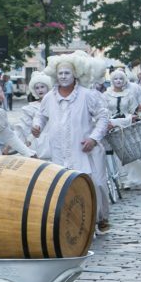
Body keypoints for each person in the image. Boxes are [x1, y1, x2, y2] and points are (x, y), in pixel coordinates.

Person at [31, 51, 112, 234]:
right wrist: (37, 126)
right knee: (64, 187)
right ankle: (72, 221)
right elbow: (41, 115)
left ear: (75, 74)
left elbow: (103, 116)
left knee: (96, 184)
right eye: (60, 73)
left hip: (85, 150)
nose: (63, 76)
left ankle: (100, 217)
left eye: (67, 73)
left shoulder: (87, 95)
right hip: (60, 151)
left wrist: (93, 138)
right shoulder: (49, 98)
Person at [101, 69, 141, 189]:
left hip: (126, 124)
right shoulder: (106, 95)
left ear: (124, 80)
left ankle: (130, 179)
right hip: (111, 124)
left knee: (128, 153)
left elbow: (133, 110)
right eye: (116, 79)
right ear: (112, 80)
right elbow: (102, 111)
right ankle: (118, 178)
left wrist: (137, 113)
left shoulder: (129, 94)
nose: (118, 81)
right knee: (114, 154)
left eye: (121, 79)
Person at [12, 72, 53, 160]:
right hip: (37, 142)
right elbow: (22, 127)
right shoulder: (31, 107)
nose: (40, 90)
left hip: (54, 140)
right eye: (37, 88)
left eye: (42, 87)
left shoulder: (55, 104)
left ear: (48, 87)